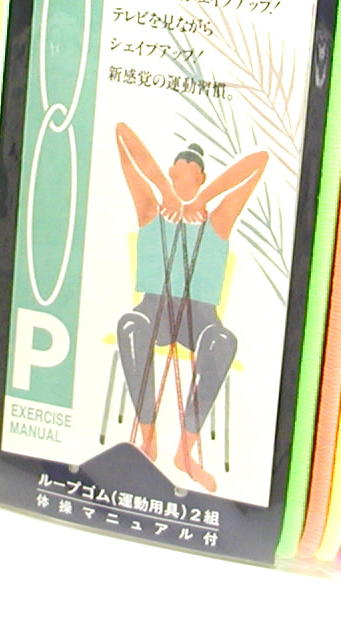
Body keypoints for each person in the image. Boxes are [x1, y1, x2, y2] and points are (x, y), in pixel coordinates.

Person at [115, 122, 268, 492]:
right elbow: (122, 135)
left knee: (223, 341)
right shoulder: (150, 210)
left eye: (195, 176)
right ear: (171, 172)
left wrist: (205, 199)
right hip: (154, 309)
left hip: (200, 318)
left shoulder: (218, 220)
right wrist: (163, 190)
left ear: (202, 180)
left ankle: (186, 451)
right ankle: (148, 437)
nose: (187, 180)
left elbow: (260, 160)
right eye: (180, 174)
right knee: (130, 325)